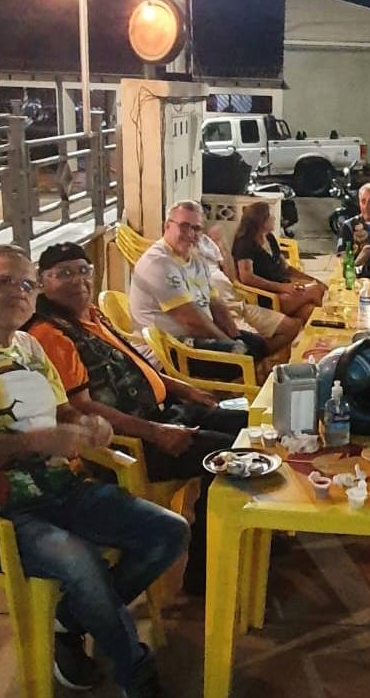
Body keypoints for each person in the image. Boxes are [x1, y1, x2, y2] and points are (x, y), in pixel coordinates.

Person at [0, 245, 188, 698]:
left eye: (27, 285)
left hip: (61, 488)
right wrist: (35, 442)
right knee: (80, 562)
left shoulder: (29, 348)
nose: (19, 292)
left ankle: (70, 621)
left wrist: (87, 424)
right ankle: (139, 681)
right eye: (5, 281)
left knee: (168, 532)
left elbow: (60, 409)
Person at [28, 241, 249, 596]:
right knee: (226, 456)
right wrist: (156, 431)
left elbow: (135, 364)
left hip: (161, 413)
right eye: (64, 274)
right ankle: (204, 572)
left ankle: (250, 532)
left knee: (247, 424)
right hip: (130, 442)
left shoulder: (90, 316)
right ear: (42, 282)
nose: (78, 280)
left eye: (83, 271)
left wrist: (184, 389)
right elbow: (82, 409)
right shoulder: (51, 334)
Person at [129, 200, 270, 367]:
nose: (190, 234)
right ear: (167, 226)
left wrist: (235, 336)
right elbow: (191, 321)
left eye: (196, 228)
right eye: (184, 226)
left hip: (195, 337)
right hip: (167, 349)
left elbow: (215, 303)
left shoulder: (196, 257)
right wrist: (231, 345)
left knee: (259, 345)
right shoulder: (158, 263)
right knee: (239, 356)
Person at [196, 226, 300, 351]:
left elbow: (232, 278)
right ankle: (259, 358)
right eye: (187, 226)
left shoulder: (207, 242)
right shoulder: (180, 260)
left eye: (197, 227)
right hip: (220, 311)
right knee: (254, 343)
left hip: (237, 303)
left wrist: (222, 246)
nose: (193, 232)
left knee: (292, 327)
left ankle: (264, 358)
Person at [233, 200, 327, 323]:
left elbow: (285, 268)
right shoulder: (245, 243)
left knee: (310, 310)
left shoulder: (269, 237)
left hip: (283, 287)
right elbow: (247, 277)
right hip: (267, 296)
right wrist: (282, 288)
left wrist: (312, 279)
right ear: (261, 221)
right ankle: (332, 319)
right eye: (271, 217)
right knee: (316, 290)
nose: (275, 219)